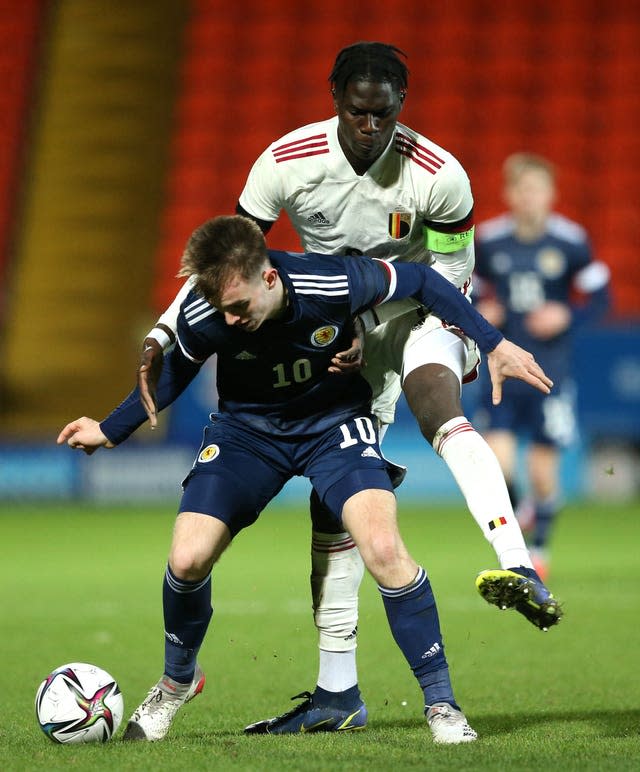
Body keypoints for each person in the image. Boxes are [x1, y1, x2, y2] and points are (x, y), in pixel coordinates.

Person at [138, 43, 563, 734]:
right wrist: (163, 330)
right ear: (336, 100)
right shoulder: (285, 161)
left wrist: (472, 340)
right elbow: (227, 263)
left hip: (418, 310)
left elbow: (448, 281)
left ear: (403, 106)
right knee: (337, 504)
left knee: (436, 402)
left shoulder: (441, 177)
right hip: (332, 321)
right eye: (357, 112)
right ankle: (338, 694)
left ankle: (518, 563)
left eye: (384, 114)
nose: (370, 126)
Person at [57, 216, 553, 744]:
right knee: (186, 558)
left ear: (268, 278)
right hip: (247, 432)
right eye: (222, 310)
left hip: (334, 426)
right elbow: (180, 363)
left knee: (384, 549)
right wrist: (111, 429)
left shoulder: (332, 281)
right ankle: (177, 682)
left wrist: (492, 342)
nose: (229, 318)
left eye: (239, 307)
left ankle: (443, 706)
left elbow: (425, 281)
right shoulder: (210, 306)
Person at [473, 152, 610, 580]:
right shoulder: (490, 240)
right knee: (499, 464)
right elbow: (468, 291)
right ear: (509, 193)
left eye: (537, 189)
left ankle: (540, 547)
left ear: (551, 194)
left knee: (542, 471)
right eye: (521, 189)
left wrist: (567, 314)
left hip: (550, 370)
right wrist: (482, 311)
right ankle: (520, 515)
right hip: (503, 368)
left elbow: (602, 297)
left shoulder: (571, 241)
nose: (529, 197)